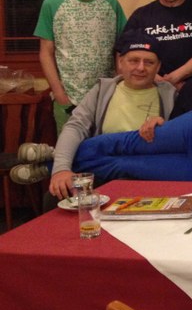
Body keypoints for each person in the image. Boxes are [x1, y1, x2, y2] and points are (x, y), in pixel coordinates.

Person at [10, 29, 176, 200]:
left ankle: (50, 160)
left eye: (149, 62)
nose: (140, 68)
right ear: (120, 62)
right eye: (134, 60)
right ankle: (54, 163)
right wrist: (61, 170)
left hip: (144, 172)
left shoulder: (171, 96)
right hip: (101, 172)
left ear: (158, 67)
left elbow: (180, 140)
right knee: (54, 198)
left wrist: (165, 125)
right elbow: (75, 127)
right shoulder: (102, 90)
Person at [34, 0, 126, 132]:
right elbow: (45, 53)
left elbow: (122, 49)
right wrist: (59, 94)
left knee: (105, 147)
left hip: (106, 97)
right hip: (69, 100)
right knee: (70, 149)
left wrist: (120, 84)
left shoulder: (111, 3)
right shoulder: (52, 4)